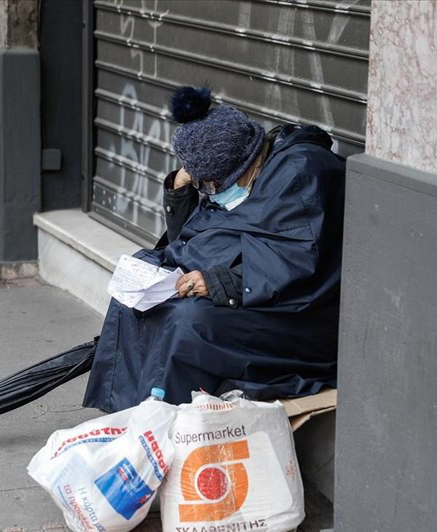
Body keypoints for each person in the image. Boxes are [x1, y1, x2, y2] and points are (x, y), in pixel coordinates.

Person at [82, 86, 345, 412]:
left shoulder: (301, 173)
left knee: (190, 319)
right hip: (262, 293)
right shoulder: (248, 174)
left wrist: (222, 282)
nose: (209, 193)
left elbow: (299, 259)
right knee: (137, 301)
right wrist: (181, 194)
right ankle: (132, 414)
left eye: (209, 185)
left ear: (243, 165)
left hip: (303, 316)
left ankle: (169, 421)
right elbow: (195, 240)